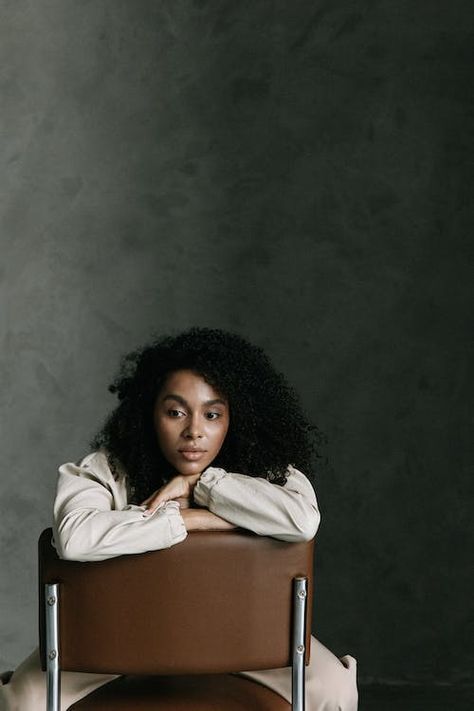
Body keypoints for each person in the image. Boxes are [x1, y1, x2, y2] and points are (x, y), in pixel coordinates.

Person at [0, 327, 358, 710]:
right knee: (25, 701)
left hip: (242, 636)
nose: (194, 432)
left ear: (234, 418)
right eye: (176, 412)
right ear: (150, 413)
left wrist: (202, 485)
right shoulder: (105, 471)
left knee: (335, 691)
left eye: (213, 414)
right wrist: (184, 520)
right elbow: (72, 538)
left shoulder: (268, 473)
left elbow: (302, 522)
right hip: (118, 638)